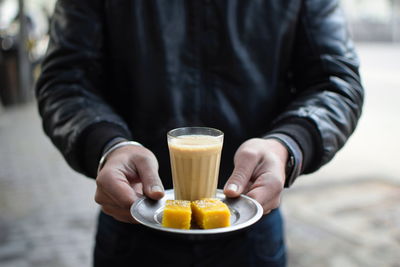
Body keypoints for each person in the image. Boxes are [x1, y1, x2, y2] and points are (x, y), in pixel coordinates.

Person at [35, 0, 364, 266]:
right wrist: (106, 145)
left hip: (250, 229)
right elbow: (65, 80)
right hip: (133, 226)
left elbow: (335, 81)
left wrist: (287, 144)